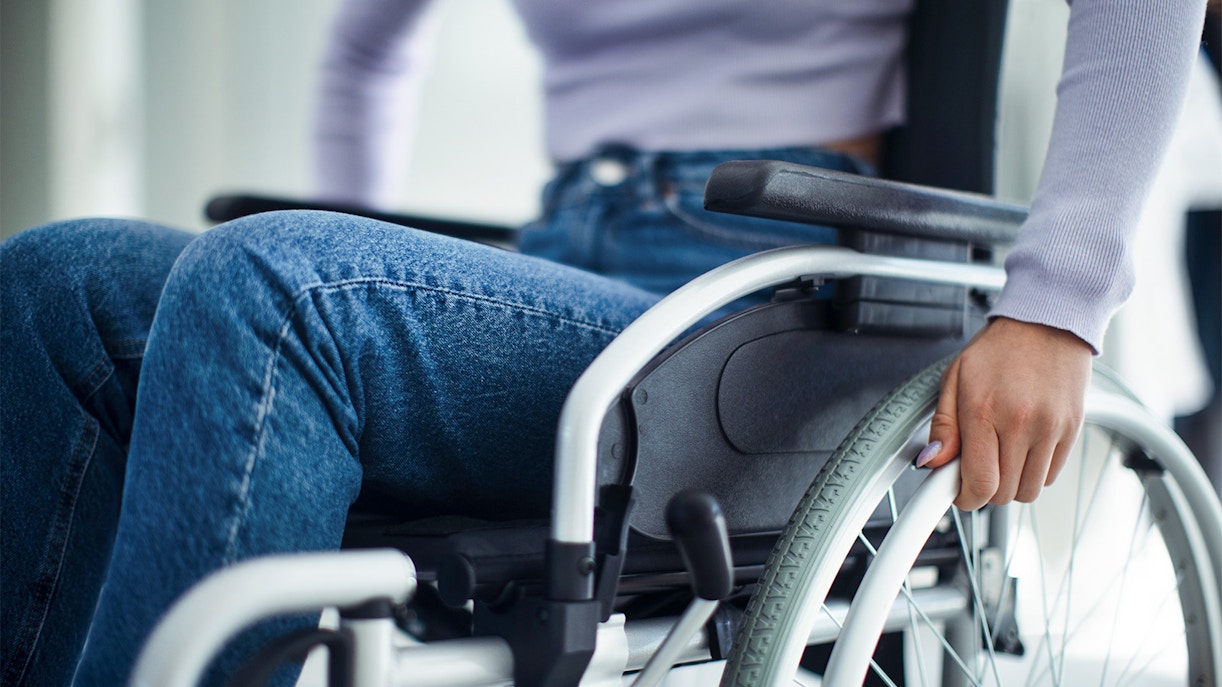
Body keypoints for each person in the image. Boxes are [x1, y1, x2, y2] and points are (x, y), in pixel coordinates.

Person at [0, 0, 1208, 685]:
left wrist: (1056, 303)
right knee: (56, 283)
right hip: (568, 252)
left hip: (771, 295)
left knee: (276, 289)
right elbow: (370, 46)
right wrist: (342, 226)